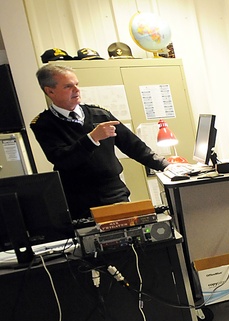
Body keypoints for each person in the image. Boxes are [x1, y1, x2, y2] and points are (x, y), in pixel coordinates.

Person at [30, 64, 169, 219]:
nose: (76, 90)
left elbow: (133, 146)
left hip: (115, 193)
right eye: (68, 86)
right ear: (50, 91)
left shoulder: (99, 114)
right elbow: (62, 159)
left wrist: (165, 165)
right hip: (79, 200)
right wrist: (92, 138)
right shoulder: (44, 124)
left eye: (76, 84)